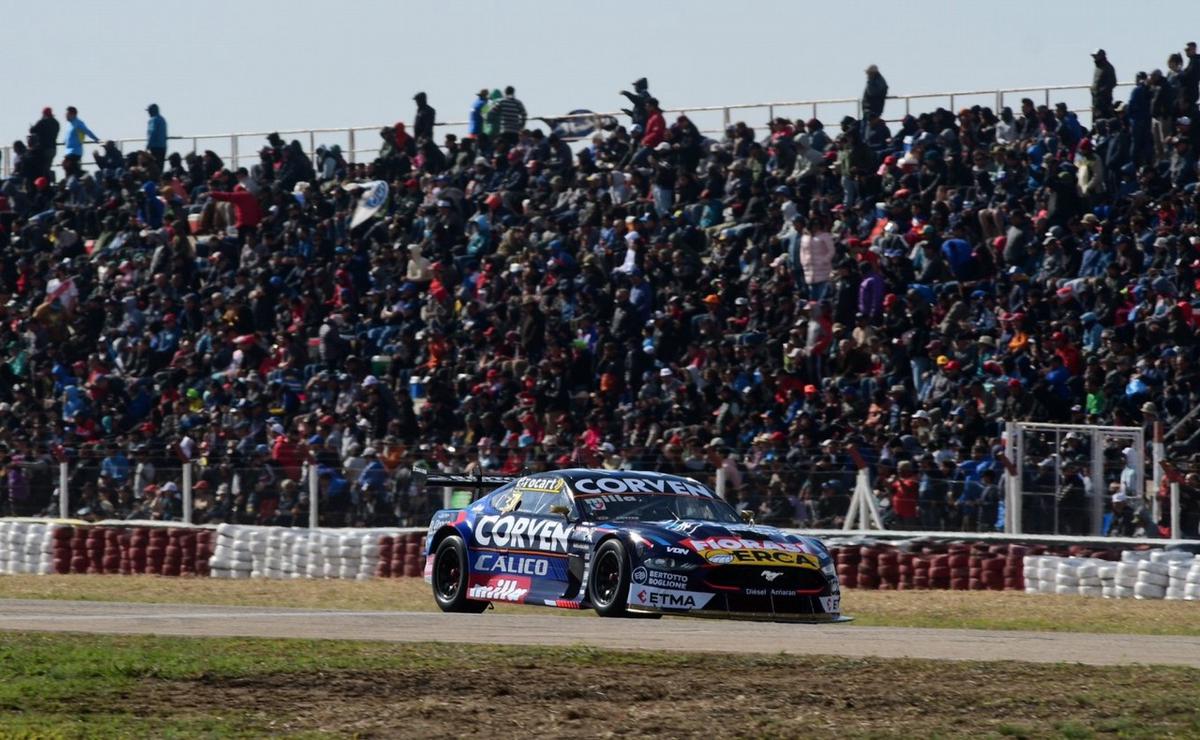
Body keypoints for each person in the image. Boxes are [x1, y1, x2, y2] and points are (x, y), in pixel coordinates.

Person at [62, 106, 99, 176]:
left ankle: (85, 175)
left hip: (75, 151)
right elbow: (68, 136)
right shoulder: (69, 124)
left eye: (68, 114)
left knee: (69, 166)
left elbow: (87, 131)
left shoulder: (78, 123)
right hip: (68, 151)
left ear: (73, 114)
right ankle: (72, 182)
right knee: (68, 168)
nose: (66, 116)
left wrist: (96, 139)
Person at [29, 107, 59, 181]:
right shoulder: (56, 123)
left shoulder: (42, 122)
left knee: (42, 169)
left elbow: (32, 130)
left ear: (44, 114)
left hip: (43, 150)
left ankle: (43, 184)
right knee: (47, 167)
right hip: (53, 149)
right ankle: (47, 183)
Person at [1091, 49, 1117, 120]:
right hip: (1096, 102)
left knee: (1104, 119)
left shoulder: (1109, 68)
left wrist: (1101, 91)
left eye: (1096, 57)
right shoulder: (1097, 68)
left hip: (1105, 102)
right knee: (1096, 122)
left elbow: (1113, 82)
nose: (1094, 59)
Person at [146, 103, 168, 170]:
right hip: (163, 147)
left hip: (155, 147)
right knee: (160, 166)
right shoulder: (162, 119)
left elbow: (153, 132)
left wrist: (148, 145)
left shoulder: (153, 120)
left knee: (154, 166)